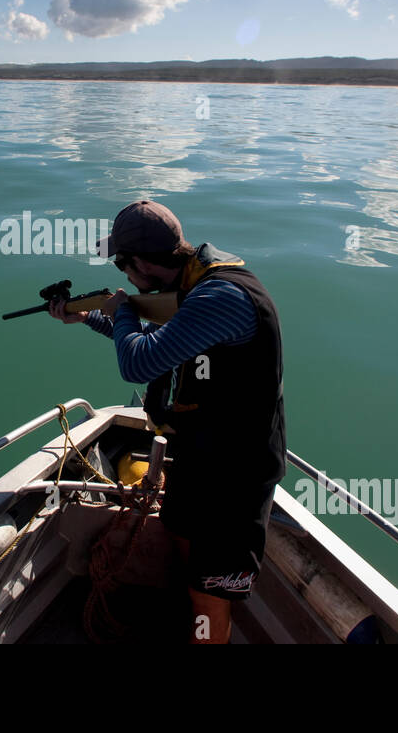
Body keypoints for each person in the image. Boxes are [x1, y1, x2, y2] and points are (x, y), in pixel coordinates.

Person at [49, 200, 286, 644]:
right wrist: (90, 318)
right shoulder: (195, 283)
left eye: (123, 267)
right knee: (179, 539)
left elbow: (139, 361)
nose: (124, 277)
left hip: (236, 475)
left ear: (140, 263)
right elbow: (164, 338)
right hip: (199, 455)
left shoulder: (222, 297)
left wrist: (121, 312)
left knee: (210, 595)